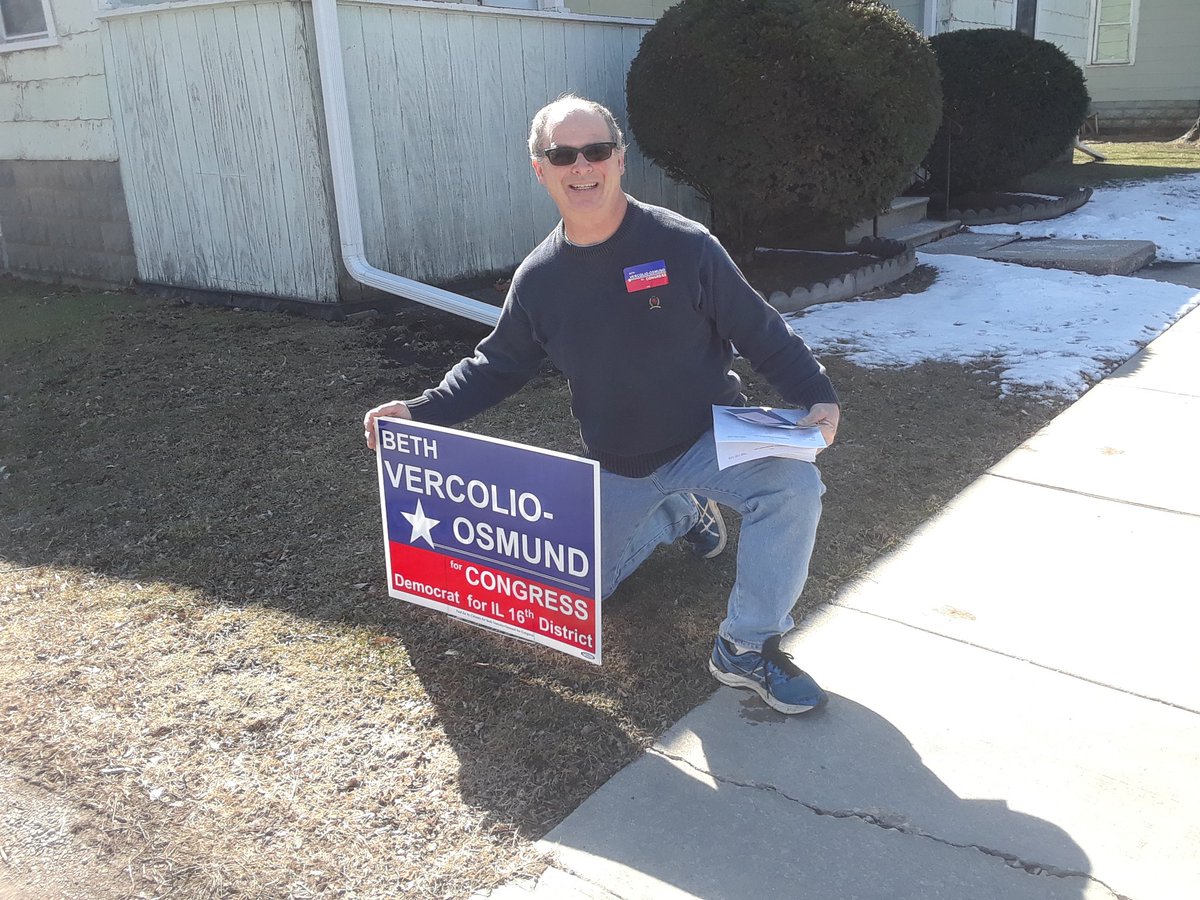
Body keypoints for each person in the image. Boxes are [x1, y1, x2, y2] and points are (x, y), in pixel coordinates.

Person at [364, 95, 841, 714]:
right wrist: (418, 412)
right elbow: (496, 364)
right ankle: (678, 517)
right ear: (541, 169)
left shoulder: (684, 245)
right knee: (578, 593)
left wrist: (815, 394)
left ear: (620, 160)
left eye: (595, 151)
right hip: (617, 460)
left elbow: (758, 328)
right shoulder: (539, 279)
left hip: (710, 436)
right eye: (563, 154)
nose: (580, 166)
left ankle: (747, 647)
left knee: (793, 487)